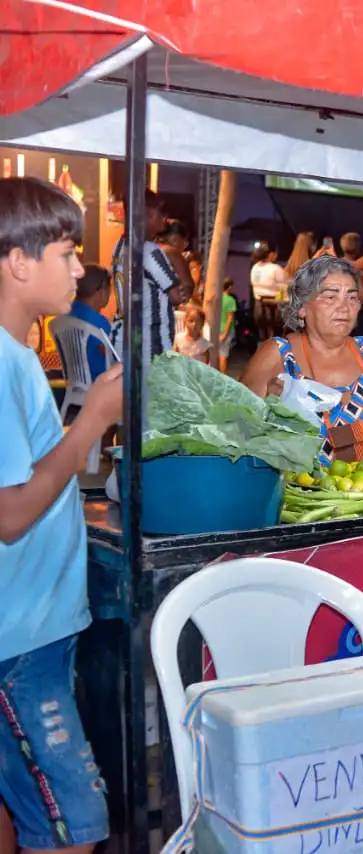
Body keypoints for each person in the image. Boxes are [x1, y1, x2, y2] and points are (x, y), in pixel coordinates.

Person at [0, 176, 119, 854]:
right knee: (75, 824)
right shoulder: (2, 362)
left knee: (23, 811)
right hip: (20, 643)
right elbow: (11, 513)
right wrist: (94, 420)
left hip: (29, 630)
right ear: (19, 261)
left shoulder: (18, 356)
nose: (80, 268)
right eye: (68, 252)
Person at [241, 255, 363, 463]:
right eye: (331, 297)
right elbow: (234, 434)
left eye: (352, 297)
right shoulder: (278, 355)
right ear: (302, 307)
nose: (344, 307)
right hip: (307, 494)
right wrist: (270, 410)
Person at [108, 188, 191, 371]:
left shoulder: (119, 246)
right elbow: (178, 296)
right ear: (150, 214)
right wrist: (180, 265)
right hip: (150, 347)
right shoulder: (149, 251)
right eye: (161, 213)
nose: (165, 218)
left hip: (123, 342)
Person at [66, 264, 113, 380]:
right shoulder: (99, 323)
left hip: (75, 388)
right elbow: (115, 356)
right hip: (100, 385)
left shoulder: (66, 315)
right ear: (101, 292)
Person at [249, 243, 287, 342]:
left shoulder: (255, 268)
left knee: (262, 337)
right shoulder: (275, 268)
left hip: (258, 304)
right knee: (274, 338)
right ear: (271, 254)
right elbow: (281, 289)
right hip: (272, 307)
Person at [218, 276, 237, 372]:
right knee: (223, 356)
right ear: (229, 287)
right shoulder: (230, 300)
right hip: (226, 330)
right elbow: (230, 318)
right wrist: (225, 333)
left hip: (215, 330)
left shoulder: (216, 298)